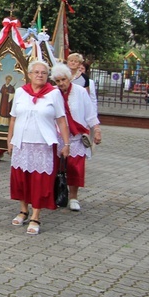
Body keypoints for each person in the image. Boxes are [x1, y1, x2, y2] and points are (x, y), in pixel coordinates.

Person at [6, 60, 71, 235]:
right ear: (29, 74)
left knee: (39, 180)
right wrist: (9, 139)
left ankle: (36, 215)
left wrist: (66, 143)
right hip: (22, 143)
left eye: (43, 73)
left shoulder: (54, 93)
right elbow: (13, 118)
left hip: (43, 144)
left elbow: (61, 120)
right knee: (21, 179)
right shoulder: (20, 92)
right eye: (36, 72)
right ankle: (23, 210)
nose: (40, 75)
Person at [50, 63, 102, 211]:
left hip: (76, 136)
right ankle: (56, 195)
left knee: (75, 167)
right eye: (58, 81)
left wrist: (96, 130)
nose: (61, 84)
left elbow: (90, 113)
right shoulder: (52, 93)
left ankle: (73, 197)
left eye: (63, 80)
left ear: (69, 78)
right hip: (57, 135)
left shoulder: (80, 92)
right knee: (55, 167)